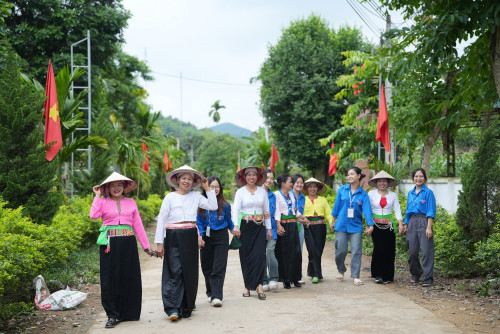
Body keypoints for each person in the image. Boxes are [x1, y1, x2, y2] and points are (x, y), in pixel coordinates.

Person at [90, 172, 152, 329]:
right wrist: (97, 196)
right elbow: (93, 215)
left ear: (124, 187)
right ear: (107, 188)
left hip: (128, 243)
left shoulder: (131, 202)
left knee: (129, 276)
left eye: (119, 185)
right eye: (112, 186)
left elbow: (137, 224)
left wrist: (146, 246)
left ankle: (128, 312)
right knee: (110, 278)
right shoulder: (102, 202)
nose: (116, 188)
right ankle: (112, 314)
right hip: (109, 244)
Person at [154, 165, 217, 321]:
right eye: (184, 178)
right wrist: (159, 243)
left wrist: (207, 188)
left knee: (188, 271)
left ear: (193, 182)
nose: (187, 181)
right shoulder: (170, 197)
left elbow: (213, 206)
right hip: (173, 235)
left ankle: (185, 306)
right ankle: (172, 308)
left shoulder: (196, 196)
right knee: (174, 270)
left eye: (190, 179)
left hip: (189, 235)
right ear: (177, 180)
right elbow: (162, 220)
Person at [196, 176, 240, 307]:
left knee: (219, 266)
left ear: (220, 189)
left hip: (221, 236)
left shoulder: (225, 205)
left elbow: (228, 220)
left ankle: (217, 296)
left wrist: (234, 229)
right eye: (211, 186)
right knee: (207, 267)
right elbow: (198, 222)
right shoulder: (201, 203)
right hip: (205, 236)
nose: (214, 189)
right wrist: (200, 236)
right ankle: (210, 292)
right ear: (206, 188)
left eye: (216, 187)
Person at [233, 166, 272, 300]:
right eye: (248, 175)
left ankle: (260, 286)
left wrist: (269, 229)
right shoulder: (240, 192)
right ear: (244, 177)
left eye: (253, 175)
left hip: (259, 227)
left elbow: (267, 212)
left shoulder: (262, 192)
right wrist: (235, 227)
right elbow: (235, 211)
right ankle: (247, 286)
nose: (251, 177)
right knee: (246, 256)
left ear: (258, 177)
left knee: (260, 256)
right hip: (245, 227)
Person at [331, 166, 374, 286]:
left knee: (356, 251)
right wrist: (333, 220)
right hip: (341, 224)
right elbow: (336, 207)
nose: (349, 176)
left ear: (359, 176)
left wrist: (370, 225)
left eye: (352, 174)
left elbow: (367, 211)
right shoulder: (342, 190)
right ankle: (341, 269)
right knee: (340, 250)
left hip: (356, 226)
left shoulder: (363, 194)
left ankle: (355, 276)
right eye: (348, 174)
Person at [367, 171, 404, 284]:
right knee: (379, 248)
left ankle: (387, 275)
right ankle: (378, 274)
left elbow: (397, 210)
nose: (382, 183)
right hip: (375, 225)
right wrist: (369, 225)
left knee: (389, 249)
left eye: (384, 181)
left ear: (388, 183)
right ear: (376, 182)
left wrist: (400, 224)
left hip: (389, 225)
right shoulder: (371, 194)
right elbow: (367, 210)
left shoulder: (393, 195)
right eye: (380, 181)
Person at [404, 168, 436, 287]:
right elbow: (408, 211)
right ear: (413, 178)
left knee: (426, 251)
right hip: (412, 222)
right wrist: (406, 224)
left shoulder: (428, 192)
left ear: (424, 178)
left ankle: (428, 278)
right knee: (412, 251)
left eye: (421, 176)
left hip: (424, 221)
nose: (418, 178)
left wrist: (429, 227)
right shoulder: (410, 193)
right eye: (416, 176)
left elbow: (431, 211)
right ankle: (416, 273)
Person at [275, 173, 307, 289]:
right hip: (284, 225)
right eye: (290, 182)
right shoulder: (277, 195)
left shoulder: (292, 195)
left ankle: (296, 278)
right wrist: (278, 226)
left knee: (296, 252)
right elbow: (277, 212)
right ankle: (286, 280)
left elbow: (295, 211)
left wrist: (303, 218)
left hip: (293, 225)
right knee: (284, 253)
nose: (292, 184)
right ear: (283, 183)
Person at [302, 177, 332, 284]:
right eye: (310, 187)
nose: (312, 189)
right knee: (312, 249)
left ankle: (311, 270)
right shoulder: (303, 199)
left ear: (318, 188)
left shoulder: (322, 200)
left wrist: (332, 223)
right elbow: (298, 212)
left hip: (320, 227)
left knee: (318, 250)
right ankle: (316, 274)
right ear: (306, 188)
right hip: (308, 227)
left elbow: (328, 213)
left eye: (314, 186)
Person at [261, 168, 279, 292]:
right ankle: (263, 280)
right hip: (258, 228)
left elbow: (276, 212)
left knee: (270, 251)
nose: (269, 180)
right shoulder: (256, 193)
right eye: (267, 178)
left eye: (272, 178)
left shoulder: (274, 195)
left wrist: (277, 225)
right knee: (260, 254)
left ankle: (273, 277)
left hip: (271, 228)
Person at [291, 173, 307, 284]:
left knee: (299, 251)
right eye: (297, 182)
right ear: (292, 183)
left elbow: (301, 212)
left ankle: (298, 276)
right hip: (290, 224)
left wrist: (303, 220)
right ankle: (289, 276)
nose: (299, 184)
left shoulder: (302, 197)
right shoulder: (288, 195)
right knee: (290, 251)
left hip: (300, 226)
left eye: (301, 183)